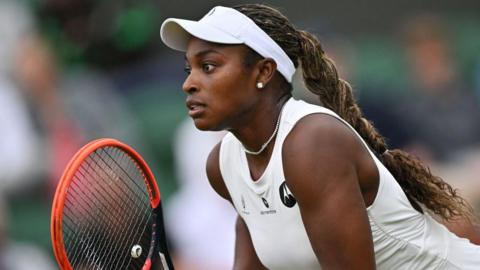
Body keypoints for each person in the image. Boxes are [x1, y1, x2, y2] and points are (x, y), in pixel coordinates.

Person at [160, 4, 480, 269]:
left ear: (263, 72)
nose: (189, 84)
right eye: (189, 69)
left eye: (209, 66)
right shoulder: (224, 163)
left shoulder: (313, 142)